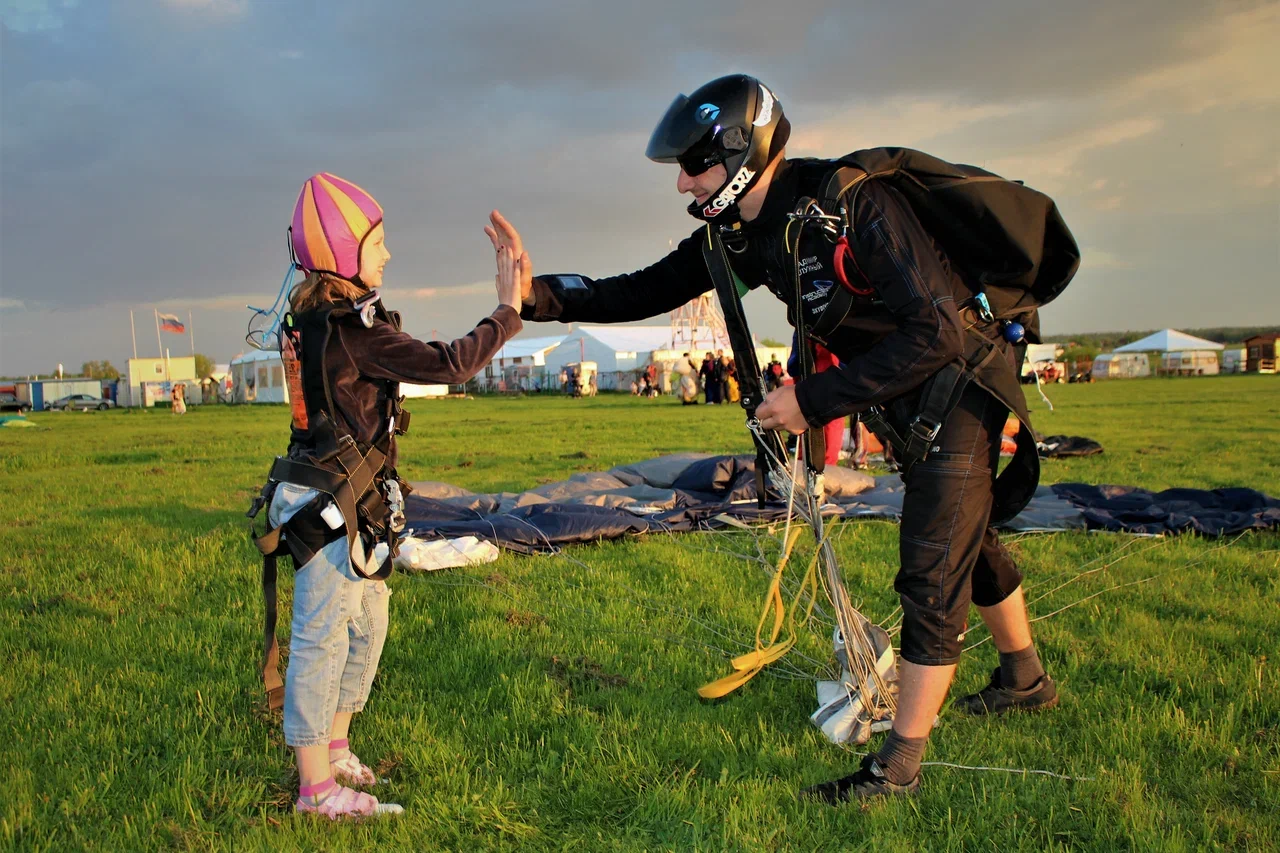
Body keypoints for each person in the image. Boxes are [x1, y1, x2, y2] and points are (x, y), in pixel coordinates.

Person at [485, 74, 1056, 802]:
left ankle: (897, 769)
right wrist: (535, 295)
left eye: (696, 165)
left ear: (741, 154)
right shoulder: (742, 235)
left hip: (961, 384)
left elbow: (937, 332)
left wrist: (810, 400)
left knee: (932, 565)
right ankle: (1024, 679)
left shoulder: (852, 206)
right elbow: (643, 288)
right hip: (905, 396)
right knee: (968, 539)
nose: (683, 183)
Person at [255, 172, 523, 820]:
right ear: (344, 252)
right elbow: (450, 363)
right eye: (377, 243)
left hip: (353, 506)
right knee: (321, 638)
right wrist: (507, 311)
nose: (388, 253)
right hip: (330, 510)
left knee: (367, 623)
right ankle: (316, 790)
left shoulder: (322, 321)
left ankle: (335, 745)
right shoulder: (350, 331)